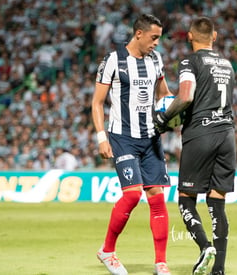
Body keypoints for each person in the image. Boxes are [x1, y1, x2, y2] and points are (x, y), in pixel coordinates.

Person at [154, 17, 236, 275]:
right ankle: (219, 269)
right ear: (215, 36)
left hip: (201, 133)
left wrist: (164, 118)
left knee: (186, 198)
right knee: (217, 201)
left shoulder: (190, 61)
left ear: (190, 36)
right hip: (227, 134)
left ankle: (204, 246)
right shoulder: (227, 63)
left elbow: (186, 95)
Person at [91, 14, 173, 275]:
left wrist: (177, 107)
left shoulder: (156, 61)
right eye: (154, 37)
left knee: (157, 197)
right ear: (139, 34)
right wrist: (101, 136)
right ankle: (107, 251)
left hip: (150, 137)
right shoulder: (113, 60)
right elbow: (96, 102)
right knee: (132, 195)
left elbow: (164, 95)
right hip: (122, 137)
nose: (157, 43)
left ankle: (161, 263)